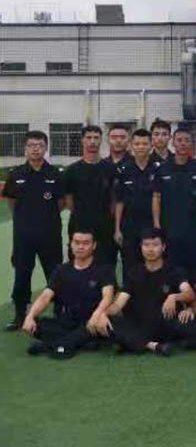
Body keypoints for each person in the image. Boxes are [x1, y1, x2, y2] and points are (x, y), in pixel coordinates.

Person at [105, 228, 196, 356]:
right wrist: (104, 313)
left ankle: (133, 343)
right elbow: (119, 304)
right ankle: (153, 346)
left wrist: (174, 297)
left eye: (155, 245)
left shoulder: (174, 271)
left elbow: (190, 294)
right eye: (146, 245)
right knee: (110, 321)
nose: (150, 249)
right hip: (140, 324)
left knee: (195, 327)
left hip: (165, 323)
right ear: (141, 247)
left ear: (163, 247)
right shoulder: (133, 273)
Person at [2, 131, 64, 331]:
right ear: (25, 148)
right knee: (22, 275)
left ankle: (61, 313)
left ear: (46, 148)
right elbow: (11, 201)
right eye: (31, 145)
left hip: (49, 235)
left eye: (39, 145)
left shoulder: (55, 174)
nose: (35, 149)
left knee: (55, 274)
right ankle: (21, 315)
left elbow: (61, 203)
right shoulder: (16, 174)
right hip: (24, 237)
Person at [23, 229, 116, 359]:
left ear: (94, 245)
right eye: (77, 242)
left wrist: (97, 314)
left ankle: (51, 346)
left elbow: (108, 296)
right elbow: (45, 296)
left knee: (103, 326)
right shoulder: (61, 270)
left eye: (86, 243)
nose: (80, 247)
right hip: (66, 322)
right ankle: (81, 344)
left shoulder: (104, 269)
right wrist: (30, 316)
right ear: (71, 244)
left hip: (90, 322)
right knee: (36, 325)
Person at [152, 128, 196, 270]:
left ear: (191, 143)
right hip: (169, 225)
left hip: (192, 225)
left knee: (194, 265)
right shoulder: (162, 168)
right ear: (173, 142)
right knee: (170, 265)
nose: (183, 144)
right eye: (179, 140)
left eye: (187, 140)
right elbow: (156, 197)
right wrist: (157, 223)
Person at [64, 125, 116, 266]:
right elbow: (69, 200)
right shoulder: (72, 170)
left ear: (101, 140)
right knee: (78, 266)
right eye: (88, 137)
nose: (92, 141)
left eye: (96, 138)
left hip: (105, 227)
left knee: (106, 264)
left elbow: (114, 200)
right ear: (82, 140)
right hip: (79, 225)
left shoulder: (110, 168)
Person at [114, 128, 161, 277]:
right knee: (129, 264)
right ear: (131, 146)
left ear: (151, 146)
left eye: (145, 144)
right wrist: (117, 229)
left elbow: (158, 198)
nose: (141, 147)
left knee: (152, 263)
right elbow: (119, 202)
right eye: (137, 144)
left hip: (150, 225)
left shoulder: (158, 168)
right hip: (129, 226)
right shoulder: (123, 169)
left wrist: (157, 225)